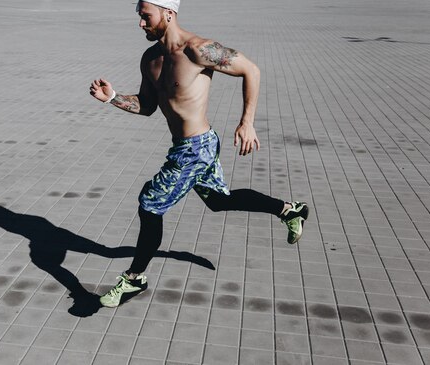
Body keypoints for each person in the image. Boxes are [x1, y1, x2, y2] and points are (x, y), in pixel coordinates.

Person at [89, 0, 309, 308]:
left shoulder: (198, 50)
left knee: (150, 203)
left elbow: (251, 70)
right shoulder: (150, 59)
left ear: (168, 13)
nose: (141, 24)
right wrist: (112, 97)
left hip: (197, 148)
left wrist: (247, 123)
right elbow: (148, 106)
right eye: (139, 17)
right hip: (187, 146)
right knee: (219, 201)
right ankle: (289, 210)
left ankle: (134, 278)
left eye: (145, 16)